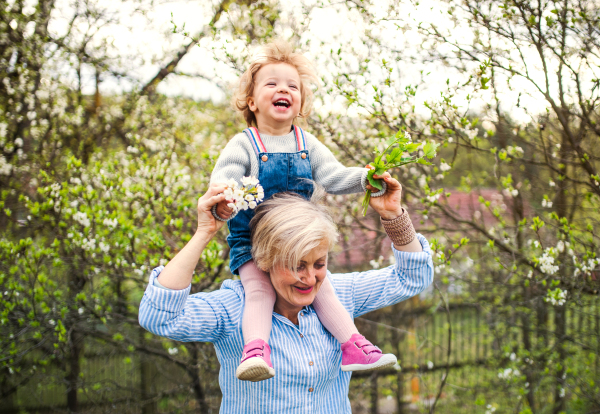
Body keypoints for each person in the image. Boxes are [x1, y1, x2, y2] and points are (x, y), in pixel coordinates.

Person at [138, 174, 434, 413]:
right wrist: (204, 232)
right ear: (265, 261)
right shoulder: (232, 309)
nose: (309, 278)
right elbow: (158, 317)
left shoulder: (340, 295)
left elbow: (413, 277)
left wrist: (394, 215)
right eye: (296, 266)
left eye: (319, 263)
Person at [209, 40, 394, 382]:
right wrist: (225, 196)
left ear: (301, 103)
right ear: (252, 101)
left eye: (292, 86)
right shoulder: (244, 144)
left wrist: (366, 178)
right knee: (259, 292)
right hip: (252, 243)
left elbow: (335, 177)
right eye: (272, 84)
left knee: (322, 289)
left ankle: (352, 345)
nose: (283, 90)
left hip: (298, 244)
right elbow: (225, 178)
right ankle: (255, 352)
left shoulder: (307, 143)